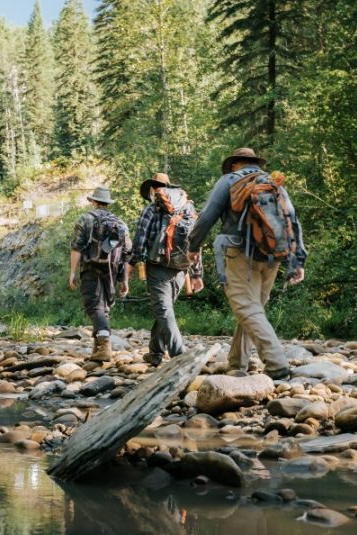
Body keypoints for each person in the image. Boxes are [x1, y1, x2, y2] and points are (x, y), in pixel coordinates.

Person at [188, 147, 306, 380]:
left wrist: (193, 247)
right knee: (254, 310)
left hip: (239, 251)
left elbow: (207, 216)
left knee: (246, 307)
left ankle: (276, 362)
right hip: (272, 254)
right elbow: (292, 220)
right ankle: (237, 363)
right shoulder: (274, 183)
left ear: (234, 164)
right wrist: (297, 259)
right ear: (255, 164)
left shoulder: (229, 180)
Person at [125, 172, 203, 368]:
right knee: (165, 311)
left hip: (158, 265)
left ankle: (179, 353)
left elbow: (140, 239)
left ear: (152, 189)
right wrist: (196, 273)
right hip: (181, 267)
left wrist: (131, 264)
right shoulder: (188, 207)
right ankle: (155, 352)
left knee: (164, 310)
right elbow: (196, 242)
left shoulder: (152, 208)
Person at [69, 186, 131, 362]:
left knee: (93, 305)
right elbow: (127, 253)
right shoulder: (120, 223)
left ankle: (104, 343)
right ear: (107, 203)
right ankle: (97, 348)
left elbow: (76, 247)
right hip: (112, 270)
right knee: (103, 308)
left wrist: (72, 272)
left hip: (91, 268)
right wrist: (125, 280)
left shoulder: (85, 219)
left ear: (94, 202)